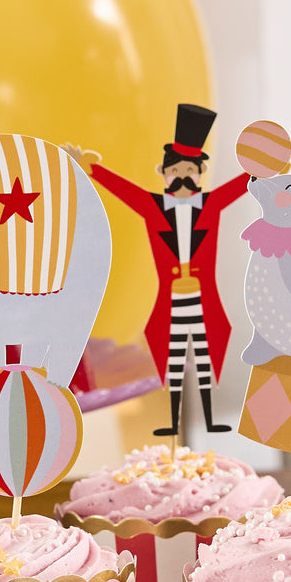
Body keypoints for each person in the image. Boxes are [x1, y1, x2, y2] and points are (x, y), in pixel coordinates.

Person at [65, 104, 246, 436]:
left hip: (203, 302)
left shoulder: (210, 206)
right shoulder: (155, 208)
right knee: (174, 363)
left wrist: (264, 169)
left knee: (204, 361)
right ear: (163, 173)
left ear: (200, 176)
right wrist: (91, 169)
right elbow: (125, 191)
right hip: (171, 303)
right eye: (175, 172)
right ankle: (174, 423)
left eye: (190, 171)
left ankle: (208, 419)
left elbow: (238, 188)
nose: (181, 179)